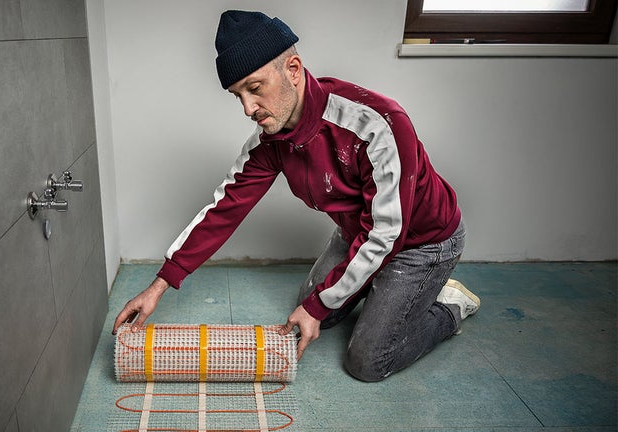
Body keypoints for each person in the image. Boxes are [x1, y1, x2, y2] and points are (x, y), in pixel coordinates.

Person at [112, 9, 480, 381]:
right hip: (359, 231)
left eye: (255, 88)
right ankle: (383, 290)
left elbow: (387, 233)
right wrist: (160, 284)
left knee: (367, 362)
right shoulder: (270, 139)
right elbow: (225, 208)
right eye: (238, 95)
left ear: (292, 69)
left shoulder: (377, 125)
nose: (248, 109)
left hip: (421, 242)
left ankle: (448, 306)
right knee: (313, 307)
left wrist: (320, 305)